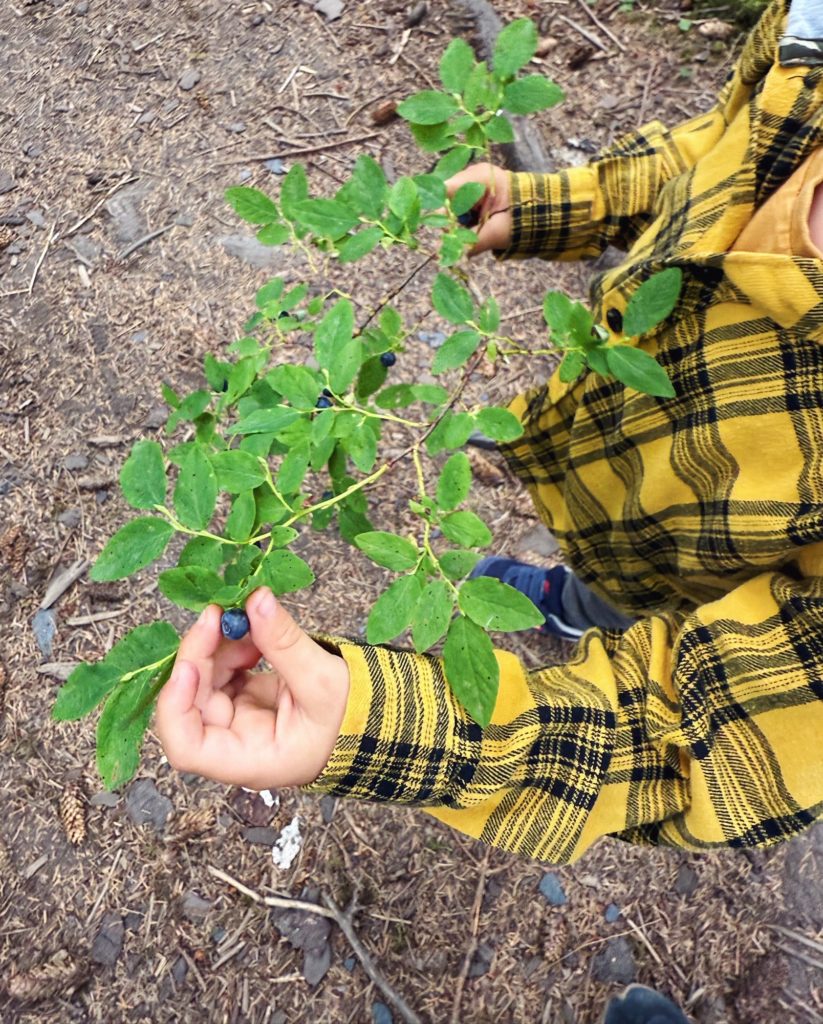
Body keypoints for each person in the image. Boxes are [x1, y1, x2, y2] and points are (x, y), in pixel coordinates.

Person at [156, 0, 823, 875]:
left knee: (630, 606)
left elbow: (713, 746)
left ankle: (581, 604)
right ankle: (567, 593)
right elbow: (719, 157)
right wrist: (559, 207)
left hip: (697, 573)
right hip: (601, 453)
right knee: (590, 569)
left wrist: (386, 730)